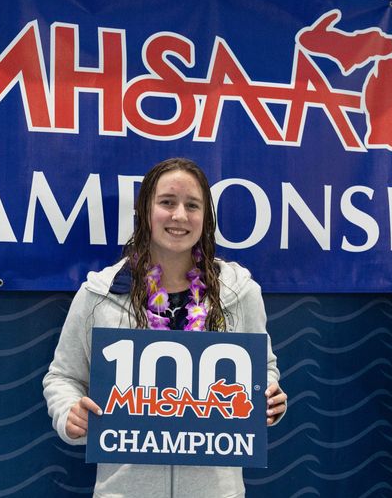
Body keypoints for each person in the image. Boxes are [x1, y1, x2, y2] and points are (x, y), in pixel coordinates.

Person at [43, 157, 286, 497]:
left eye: (192, 205)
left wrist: (269, 398)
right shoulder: (99, 294)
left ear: (206, 218)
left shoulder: (239, 292)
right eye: (167, 203)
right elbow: (63, 376)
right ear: (145, 211)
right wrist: (69, 413)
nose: (180, 216)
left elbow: (264, 371)